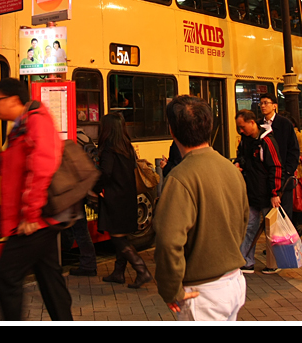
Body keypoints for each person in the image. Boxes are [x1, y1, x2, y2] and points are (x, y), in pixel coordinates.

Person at [0, 77, 73, 321]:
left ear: (13, 100)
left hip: (34, 220)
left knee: (7, 277)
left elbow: (42, 168)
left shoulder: (35, 123)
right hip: (38, 219)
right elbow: (14, 173)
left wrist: (30, 214)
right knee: (50, 279)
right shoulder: (19, 128)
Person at [154, 96, 249, 321]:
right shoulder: (231, 168)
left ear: (172, 130)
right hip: (234, 281)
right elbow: (243, 221)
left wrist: (170, 290)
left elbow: (168, 241)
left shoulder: (180, 178)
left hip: (201, 291)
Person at [95, 113, 152, 289]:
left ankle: (141, 270)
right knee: (123, 234)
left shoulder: (109, 148)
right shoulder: (127, 147)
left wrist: (97, 189)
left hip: (114, 196)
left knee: (117, 237)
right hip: (128, 195)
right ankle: (118, 272)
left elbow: (105, 172)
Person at [235, 110, 282, 274]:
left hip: (267, 192)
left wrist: (275, 192)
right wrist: (239, 163)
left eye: (242, 127)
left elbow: (275, 167)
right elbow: (241, 156)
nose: (241, 131)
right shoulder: (245, 141)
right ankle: (247, 261)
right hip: (252, 190)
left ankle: (273, 262)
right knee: (249, 227)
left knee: (271, 229)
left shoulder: (267, 141)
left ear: (252, 122)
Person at [259, 93, 300, 224]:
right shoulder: (259, 125)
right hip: (266, 178)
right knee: (268, 218)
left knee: (284, 217)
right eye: (261, 103)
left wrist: (287, 171)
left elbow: (293, 150)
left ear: (274, 106)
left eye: (266, 103)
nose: (263, 106)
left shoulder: (284, 124)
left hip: (283, 178)